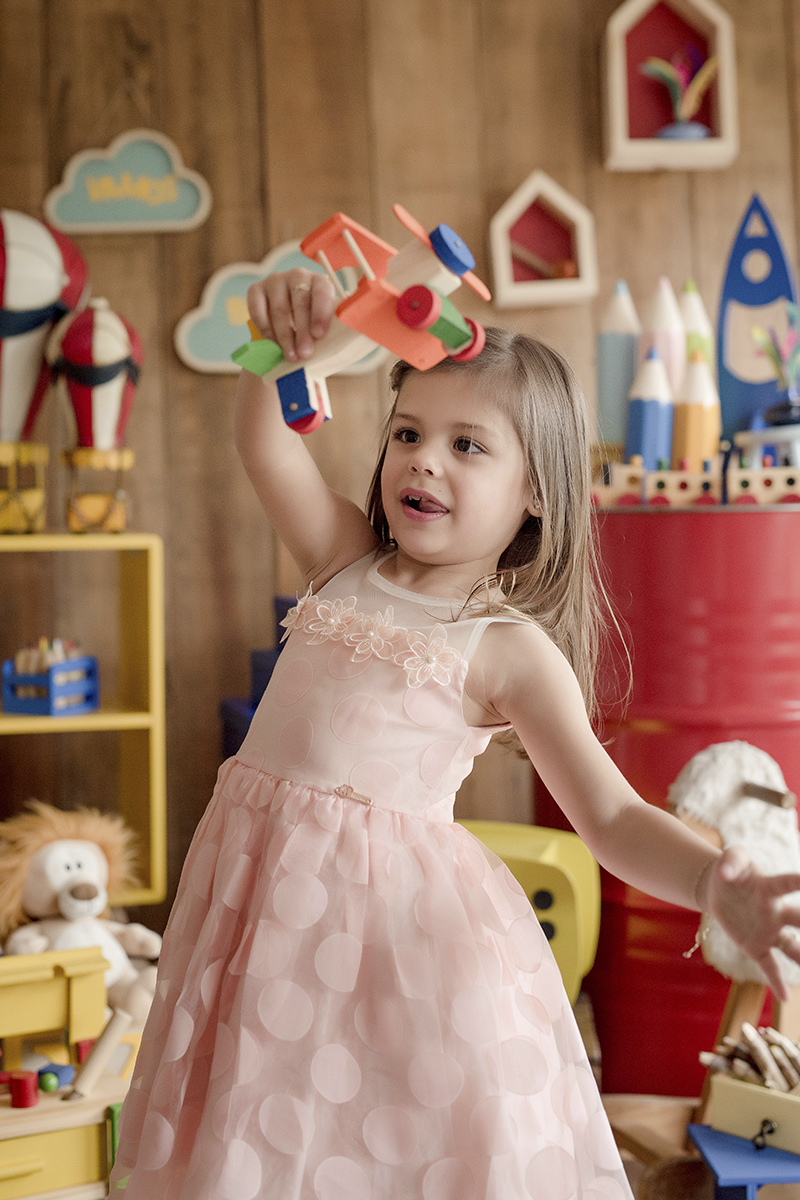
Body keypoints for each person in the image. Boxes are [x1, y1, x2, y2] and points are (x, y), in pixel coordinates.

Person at [110, 269, 800, 1200]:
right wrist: (281, 351)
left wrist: (718, 883)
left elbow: (611, 816)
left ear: (538, 496)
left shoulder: (507, 648)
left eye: (466, 444)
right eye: (407, 433)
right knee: (250, 1115)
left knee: (372, 1134)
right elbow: (262, 441)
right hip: (255, 899)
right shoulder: (343, 555)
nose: (422, 460)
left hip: (381, 934)